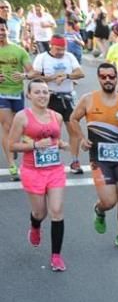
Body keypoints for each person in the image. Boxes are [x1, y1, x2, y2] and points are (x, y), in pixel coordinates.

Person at [68, 62, 118, 250]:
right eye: (104, 77)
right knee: (109, 201)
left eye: (111, 76)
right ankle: (99, 210)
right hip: (99, 159)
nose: (108, 80)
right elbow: (73, 119)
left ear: (116, 77)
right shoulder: (88, 100)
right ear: (99, 78)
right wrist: (82, 138)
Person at [9, 79, 69, 270]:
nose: (43, 95)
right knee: (40, 212)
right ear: (29, 95)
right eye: (38, 92)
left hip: (54, 170)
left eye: (45, 92)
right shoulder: (22, 117)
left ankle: (56, 256)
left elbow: (56, 140)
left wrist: (62, 144)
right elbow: (11, 145)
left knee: (57, 210)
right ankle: (35, 225)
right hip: (32, 170)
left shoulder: (56, 116)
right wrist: (34, 145)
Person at [28, 35, 82, 171]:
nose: (61, 52)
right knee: (49, 133)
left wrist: (67, 76)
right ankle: (47, 160)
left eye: (63, 49)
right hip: (50, 98)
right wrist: (51, 78)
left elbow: (80, 73)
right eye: (58, 49)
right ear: (51, 46)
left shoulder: (69, 57)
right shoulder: (42, 58)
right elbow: (34, 76)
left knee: (74, 131)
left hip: (68, 98)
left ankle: (75, 161)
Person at [0, 17, 32, 180]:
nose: (1, 33)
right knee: (6, 126)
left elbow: (32, 71)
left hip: (17, 92)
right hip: (1, 93)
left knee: (17, 127)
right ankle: (12, 164)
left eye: (3, 29)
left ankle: (13, 145)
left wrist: (24, 75)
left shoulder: (19, 50)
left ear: (7, 30)